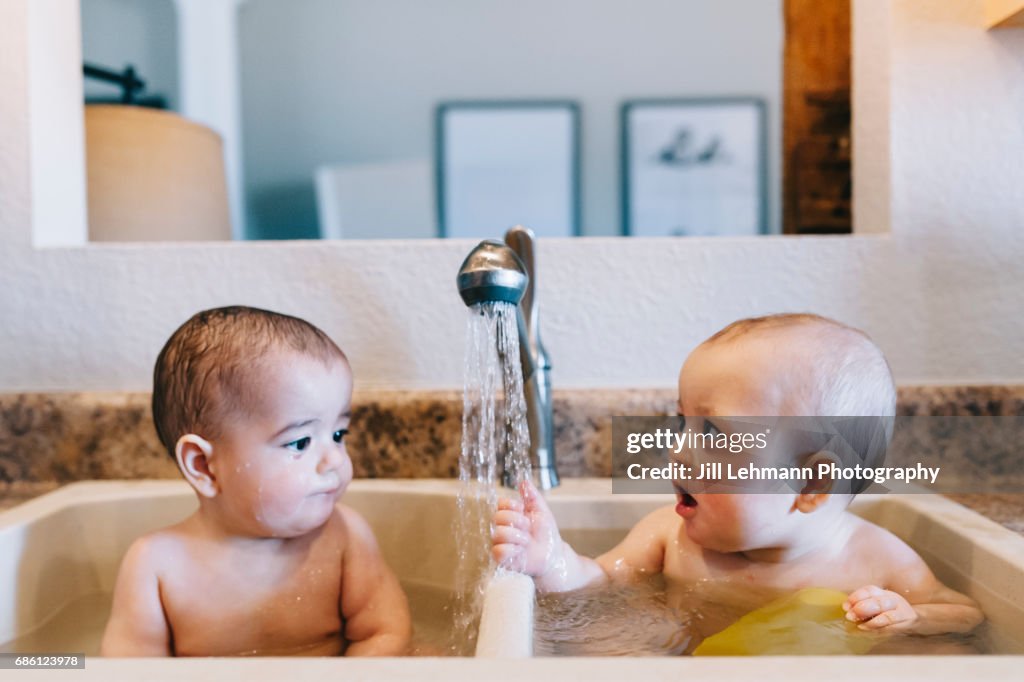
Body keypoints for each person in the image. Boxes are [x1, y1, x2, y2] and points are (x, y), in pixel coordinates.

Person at [493, 313, 983, 642]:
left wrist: (912, 617)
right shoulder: (668, 536)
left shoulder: (876, 560)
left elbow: (966, 614)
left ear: (812, 486)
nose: (678, 450)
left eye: (713, 432)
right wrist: (551, 558)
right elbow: (595, 583)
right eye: (680, 422)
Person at [102, 306, 410, 656]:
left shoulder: (345, 538)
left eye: (339, 434)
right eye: (300, 442)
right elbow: (130, 670)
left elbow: (385, 633)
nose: (336, 459)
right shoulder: (156, 564)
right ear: (204, 466)